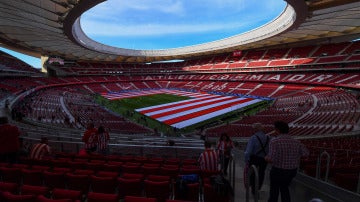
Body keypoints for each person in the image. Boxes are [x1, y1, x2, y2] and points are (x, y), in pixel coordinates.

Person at [265, 121, 309, 202]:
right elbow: (306, 153)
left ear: (277, 130)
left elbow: (271, 159)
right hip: (292, 171)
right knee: (284, 189)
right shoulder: (296, 142)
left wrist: (266, 158)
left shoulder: (275, 141)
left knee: (274, 191)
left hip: (278, 171)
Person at [244, 123, 270, 195]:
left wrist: (246, 160)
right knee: (261, 173)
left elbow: (248, 151)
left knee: (252, 174)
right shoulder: (268, 137)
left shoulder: (253, 137)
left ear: (255, 129)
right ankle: (258, 188)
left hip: (254, 158)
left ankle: (253, 189)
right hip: (264, 159)